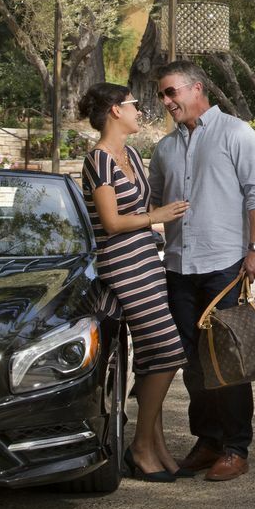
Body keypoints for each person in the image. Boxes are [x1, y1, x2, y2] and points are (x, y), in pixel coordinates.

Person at [144, 58, 255, 482]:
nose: (165, 101)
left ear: (196, 89)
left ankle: (236, 447)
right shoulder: (164, 149)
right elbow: (155, 205)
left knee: (227, 359)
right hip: (178, 268)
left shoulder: (237, 133)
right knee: (192, 362)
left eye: (170, 92)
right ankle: (208, 439)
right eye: (162, 94)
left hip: (225, 267)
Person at [77, 82, 191, 481]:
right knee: (170, 350)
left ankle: (156, 448)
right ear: (113, 111)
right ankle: (140, 445)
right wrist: (155, 217)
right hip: (121, 262)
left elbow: (139, 209)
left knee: (150, 355)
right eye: (132, 105)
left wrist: (151, 225)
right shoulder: (99, 160)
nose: (139, 111)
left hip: (145, 257)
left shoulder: (134, 156)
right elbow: (110, 223)